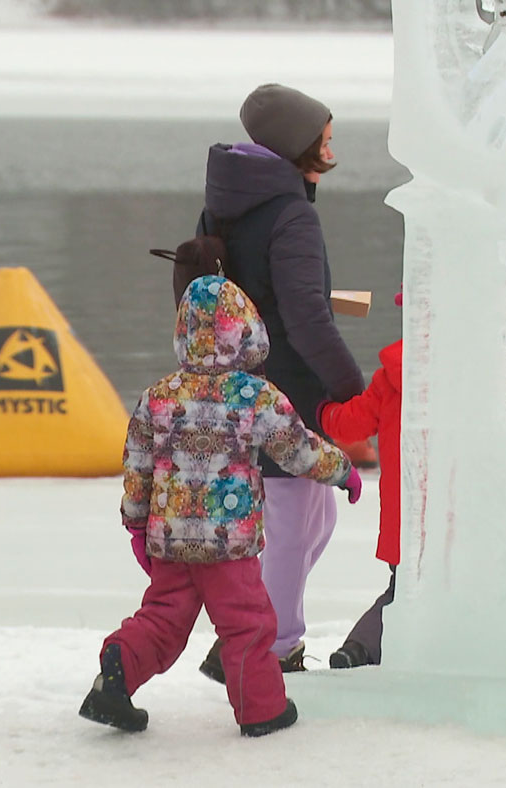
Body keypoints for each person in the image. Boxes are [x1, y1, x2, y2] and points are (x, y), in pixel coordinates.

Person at [78, 275, 362, 737]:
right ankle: (262, 710)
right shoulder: (254, 396)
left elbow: (137, 467)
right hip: (228, 545)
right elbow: (297, 450)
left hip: (170, 540)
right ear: (245, 331)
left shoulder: (159, 397)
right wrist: (342, 471)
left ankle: (118, 667)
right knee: (247, 624)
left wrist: (136, 525)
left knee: (163, 620)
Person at [195, 83, 367, 680]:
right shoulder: (290, 213)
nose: (331, 148)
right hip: (286, 395)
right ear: (301, 147)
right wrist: (355, 393)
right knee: (295, 524)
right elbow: (305, 317)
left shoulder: (227, 202)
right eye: (325, 139)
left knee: (316, 520)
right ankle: (272, 648)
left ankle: (248, 633)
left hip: (240, 383)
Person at [316, 290, 404, 669]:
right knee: (417, 594)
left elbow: (351, 423)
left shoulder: (391, 379)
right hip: (457, 520)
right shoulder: (467, 381)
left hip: (405, 518)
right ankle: (363, 649)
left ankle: (358, 648)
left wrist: (319, 411)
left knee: (402, 591)